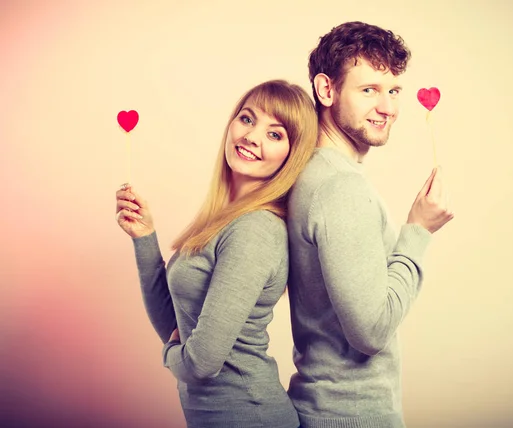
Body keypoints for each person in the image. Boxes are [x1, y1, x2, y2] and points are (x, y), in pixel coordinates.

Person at [115, 79, 318, 428]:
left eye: (275, 133)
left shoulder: (254, 230)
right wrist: (144, 237)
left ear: (293, 154)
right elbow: (176, 325)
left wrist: (171, 354)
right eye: (247, 118)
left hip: (251, 416)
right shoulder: (225, 220)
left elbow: (201, 362)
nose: (252, 136)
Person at [286, 22, 455, 427]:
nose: (389, 108)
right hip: (350, 414)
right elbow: (371, 332)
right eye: (369, 90)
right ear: (326, 90)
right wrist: (418, 231)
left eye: (393, 91)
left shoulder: (311, 171)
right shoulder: (340, 188)